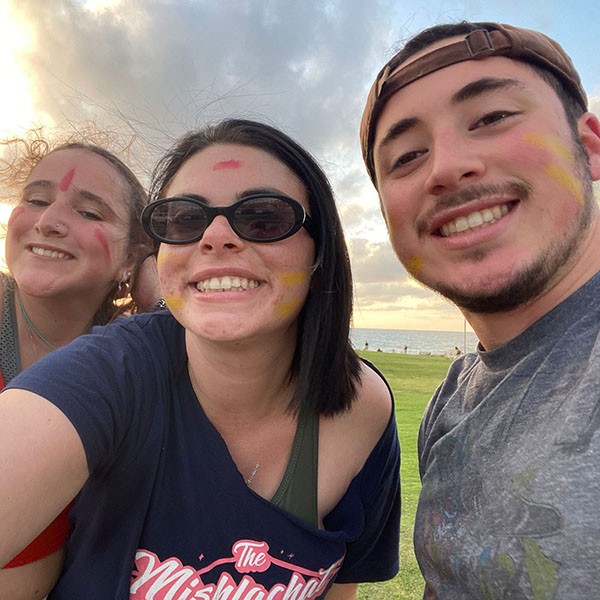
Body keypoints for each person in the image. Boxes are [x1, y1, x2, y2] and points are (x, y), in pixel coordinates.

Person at [0, 119, 400, 599]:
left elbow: (340, 586)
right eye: (184, 220)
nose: (215, 237)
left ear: (320, 256)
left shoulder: (366, 410)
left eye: (264, 218)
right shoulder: (108, 372)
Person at [359, 21, 600, 598]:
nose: (445, 168)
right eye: (407, 156)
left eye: (491, 118)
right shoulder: (452, 399)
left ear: (589, 146)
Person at [0, 132, 156, 598]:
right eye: (36, 199)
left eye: (89, 212)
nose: (48, 221)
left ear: (131, 257)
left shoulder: (131, 364)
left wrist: (155, 283)